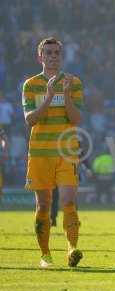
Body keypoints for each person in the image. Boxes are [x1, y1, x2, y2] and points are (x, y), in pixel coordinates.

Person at [22, 37, 84, 268]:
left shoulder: (73, 82)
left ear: (61, 56)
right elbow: (30, 119)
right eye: (48, 53)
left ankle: (72, 250)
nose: (53, 56)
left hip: (67, 152)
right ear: (40, 57)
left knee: (68, 201)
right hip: (40, 154)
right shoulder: (31, 85)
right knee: (44, 205)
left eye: (57, 52)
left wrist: (66, 95)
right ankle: (45, 255)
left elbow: (76, 119)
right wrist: (49, 96)